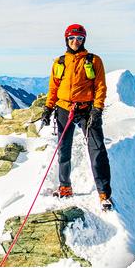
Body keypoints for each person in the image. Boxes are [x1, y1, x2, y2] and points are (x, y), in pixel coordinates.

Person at [40, 24, 113, 210]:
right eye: (72, 38)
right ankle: (65, 187)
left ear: (84, 40)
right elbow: (53, 88)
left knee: (97, 150)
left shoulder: (93, 60)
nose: (75, 42)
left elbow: (100, 87)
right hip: (64, 109)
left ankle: (104, 193)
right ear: (66, 39)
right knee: (64, 150)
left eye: (79, 39)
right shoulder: (59, 62)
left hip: (87, 110)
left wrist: (97, 109)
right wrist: (48, 108)